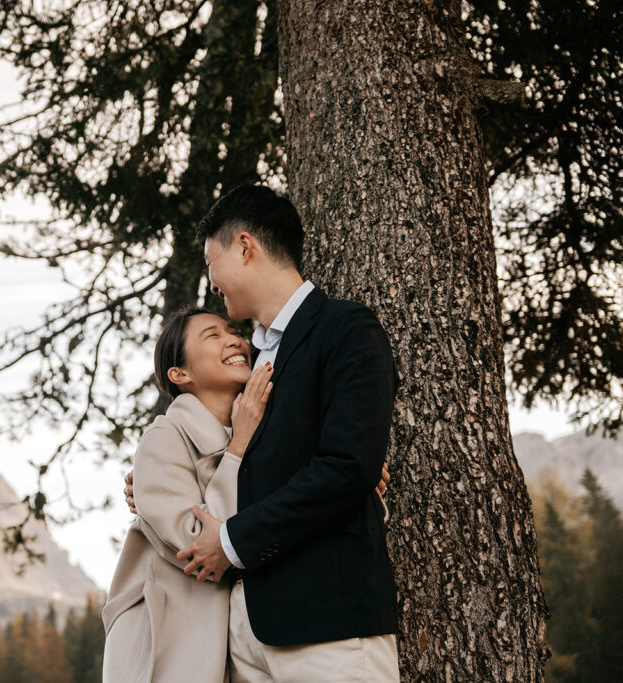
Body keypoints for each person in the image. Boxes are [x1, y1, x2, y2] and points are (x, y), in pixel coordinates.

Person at [123, 185, 401, 681]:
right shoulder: (252, 366)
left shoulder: (344, 329)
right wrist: (153, 483)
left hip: (326, 626)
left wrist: (229, 541)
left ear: (245, 247)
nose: (212, 283)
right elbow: (259, 462)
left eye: (212, 263)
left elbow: (346, 465)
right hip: (243, 640)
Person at [102, 306, 274, 682]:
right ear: (180, 374)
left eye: (233, 331)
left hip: (227, 644)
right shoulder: (164, 437)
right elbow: (196, 545)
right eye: (212, 335)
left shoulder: (256, 433)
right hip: (162, 643)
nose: (234, 339)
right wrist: (239, 447)